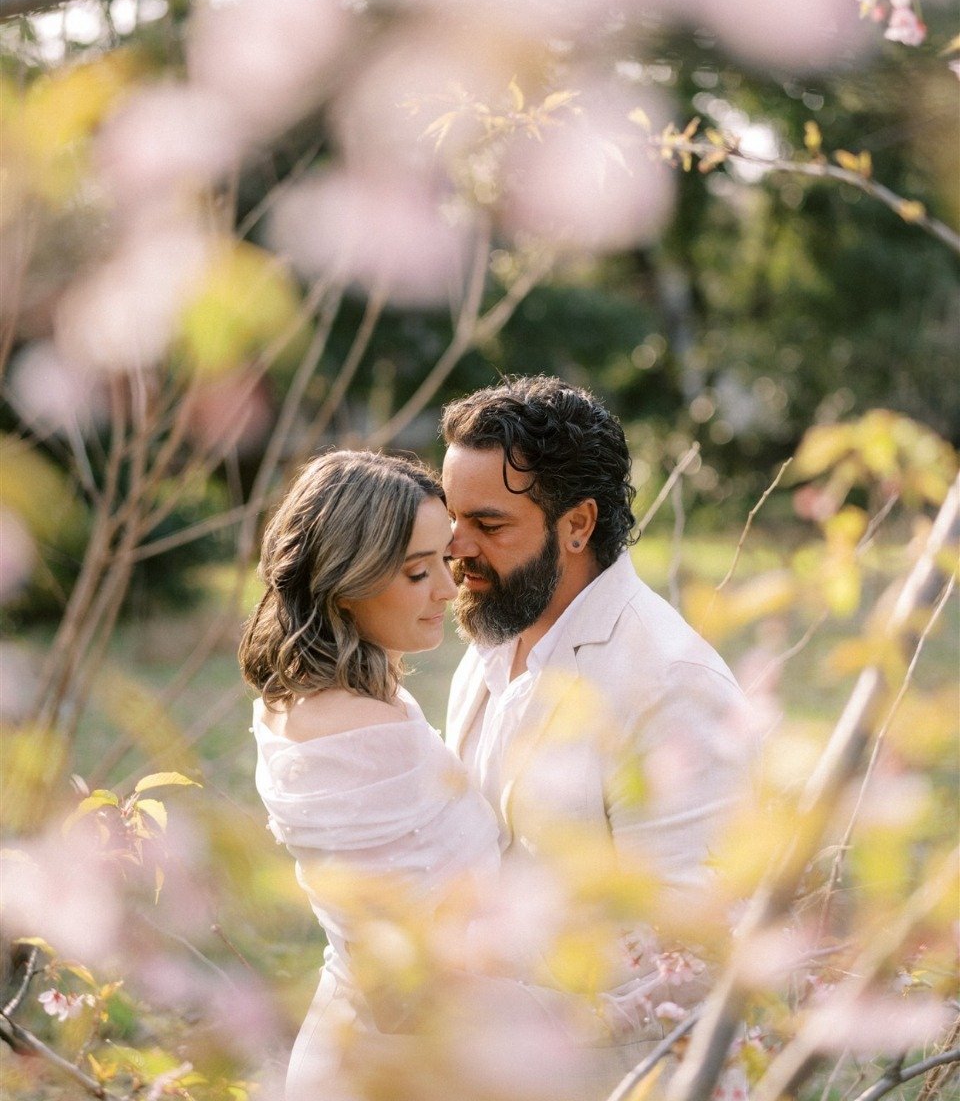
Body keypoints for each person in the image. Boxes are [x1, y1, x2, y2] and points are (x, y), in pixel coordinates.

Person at [441, 375, 758, 1097]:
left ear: (577, 525)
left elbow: (692, 955)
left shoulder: (671, 687)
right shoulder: (492, 637)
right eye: (451, 517)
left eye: (488, 526)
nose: (455, 548)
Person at [239, 450, 503, 1101]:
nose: (448, 588)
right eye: (419, 572)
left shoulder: (301, 702)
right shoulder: (370, 737)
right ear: (345, 580)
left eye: (446, 560)